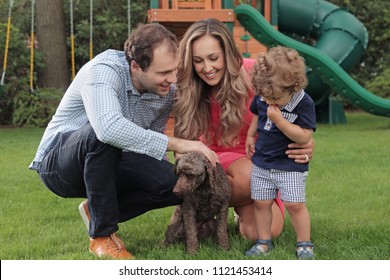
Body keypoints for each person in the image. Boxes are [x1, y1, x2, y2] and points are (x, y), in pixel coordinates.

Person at [29, 23, 218, 260]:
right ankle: (102, 236)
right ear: (136, 67)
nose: (172, 79)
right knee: (102, 134)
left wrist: (162, 177)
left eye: (174, 70)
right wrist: (180, 144)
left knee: (174, 184)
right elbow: (108, 129)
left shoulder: (165, 90)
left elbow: (150, 142)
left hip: (111, 160)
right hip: (59, 165)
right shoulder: (103, 70)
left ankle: (96, 210)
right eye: (163, 73)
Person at [173, 18, 315, 241]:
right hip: (210, 161)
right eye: (198, 61)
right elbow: (180, 147)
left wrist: (307, 143)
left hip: (256, 159)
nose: (207, 68)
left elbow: (296, 106)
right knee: (250, 177)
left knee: (261, 233)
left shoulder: (254, 75)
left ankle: (215, 209)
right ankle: (198, 209)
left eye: (213, 58)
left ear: (228, 53)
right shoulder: (186, 85)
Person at [244, 46, 316, 259]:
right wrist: (250, 136)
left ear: (293, 86)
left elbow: (304, 136)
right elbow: (257, 115)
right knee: (261, 203)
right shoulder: (263, 97)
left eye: (274, 99)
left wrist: (279, 120)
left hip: (290, 166)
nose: (268, 103)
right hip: (262, 163)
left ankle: (304, 243)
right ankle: (263, 241)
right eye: (265, 98)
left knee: (295, 204)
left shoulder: (303, 103)